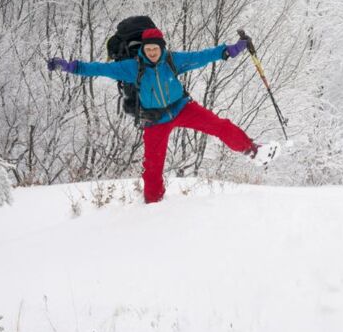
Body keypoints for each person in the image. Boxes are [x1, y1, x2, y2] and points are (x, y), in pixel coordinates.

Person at [47, 27, 278, 203]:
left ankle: (253, 150)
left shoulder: (172, 60)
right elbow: (99, 68)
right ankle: (154, 208)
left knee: (219, 125)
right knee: (153, 169)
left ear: (162, 47)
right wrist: (70, 67)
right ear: (143, 50)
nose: (152, 53)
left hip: (181, 107)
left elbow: (203, 56)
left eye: (155, 49)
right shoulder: (131, 67)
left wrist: (230, 50)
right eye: (148, 49)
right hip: (155, 120)